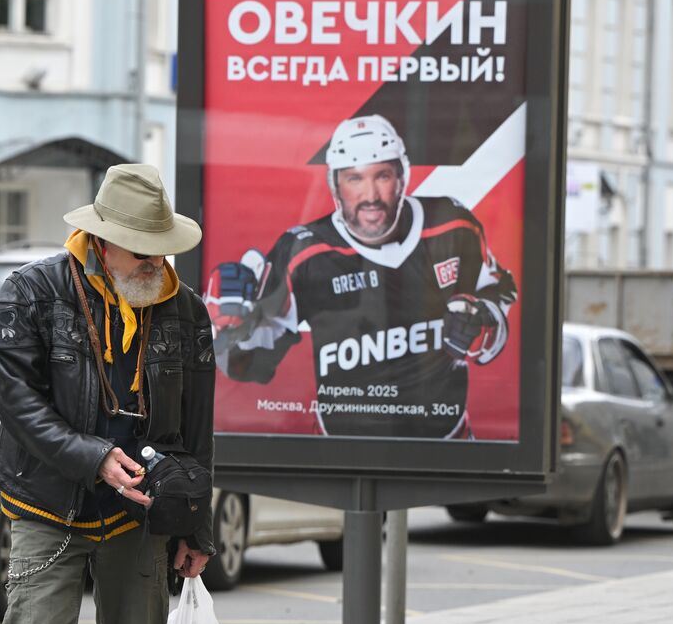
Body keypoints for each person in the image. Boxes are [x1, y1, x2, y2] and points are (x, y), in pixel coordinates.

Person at [0, 163, 216, 624]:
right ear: (103, 242)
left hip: (137, 516)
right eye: (143, 250)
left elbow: (200, 432)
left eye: (162, 249)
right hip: (46, 505)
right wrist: (91, 456)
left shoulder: (184, 310)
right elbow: (18, 403)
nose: (156, 262)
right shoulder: (32, 293)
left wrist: (195, 524)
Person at [205, 114, 517, 439]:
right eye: (354, 179)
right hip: (339, 452)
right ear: (334, 185)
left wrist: (485, 321)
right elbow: (251, 364)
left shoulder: (454, 226)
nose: (370, 195)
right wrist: (229, 327)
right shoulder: (302, 251)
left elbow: (498, 290)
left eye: (382, 175)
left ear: (402, 177)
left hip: (448, 444)